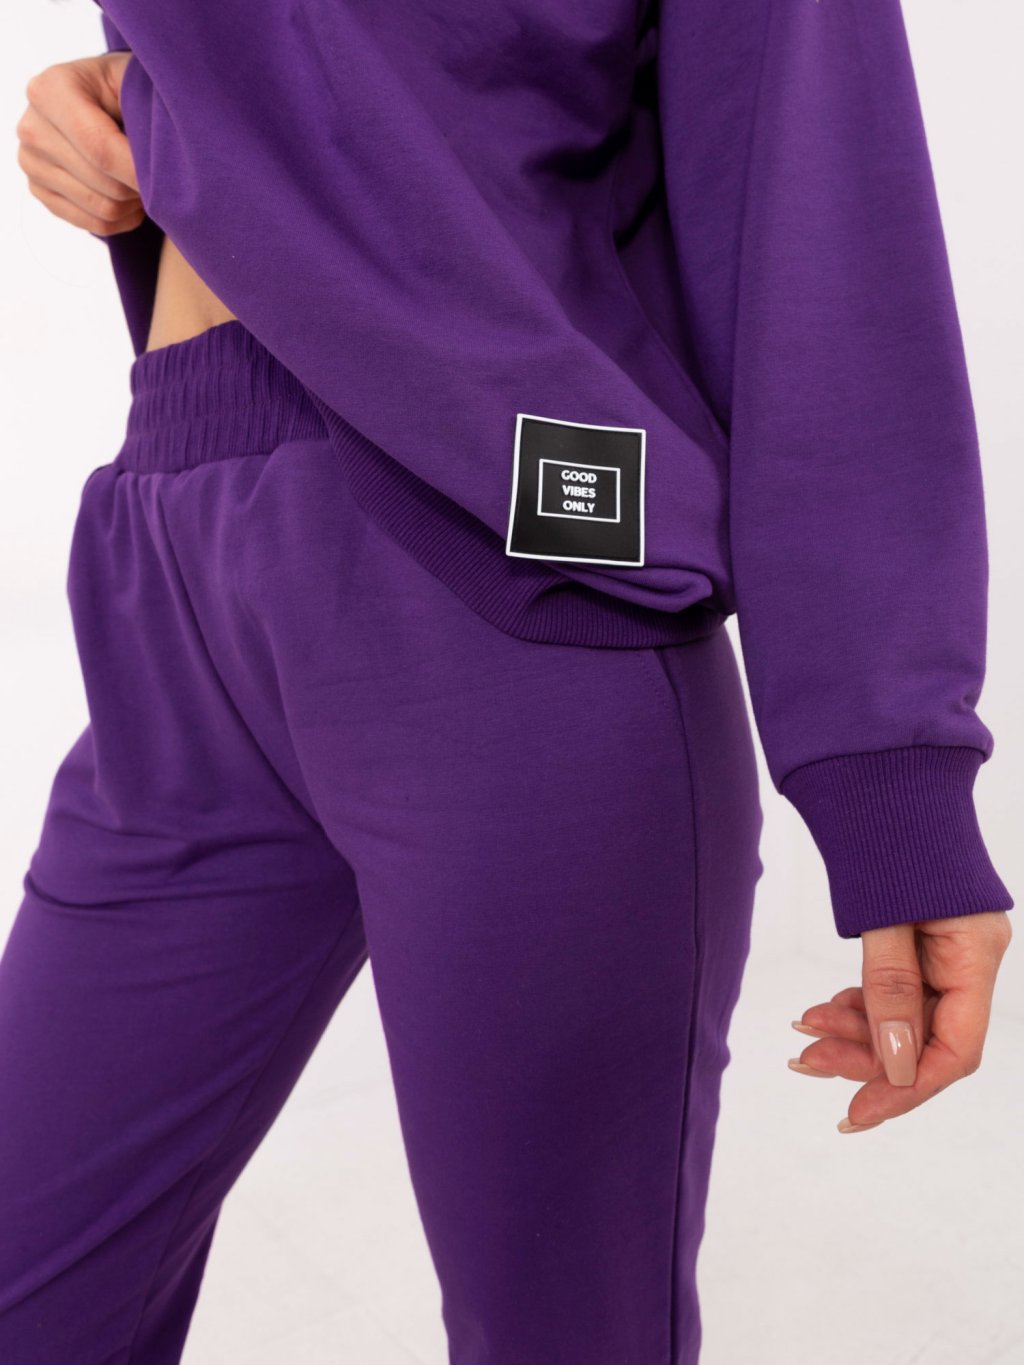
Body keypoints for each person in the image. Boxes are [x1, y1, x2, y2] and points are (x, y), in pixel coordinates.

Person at [3, 2, 1014, 1362]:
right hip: (172, 575)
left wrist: (893, 781)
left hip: (500, 590)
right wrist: (141, 103)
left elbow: (816, 193)